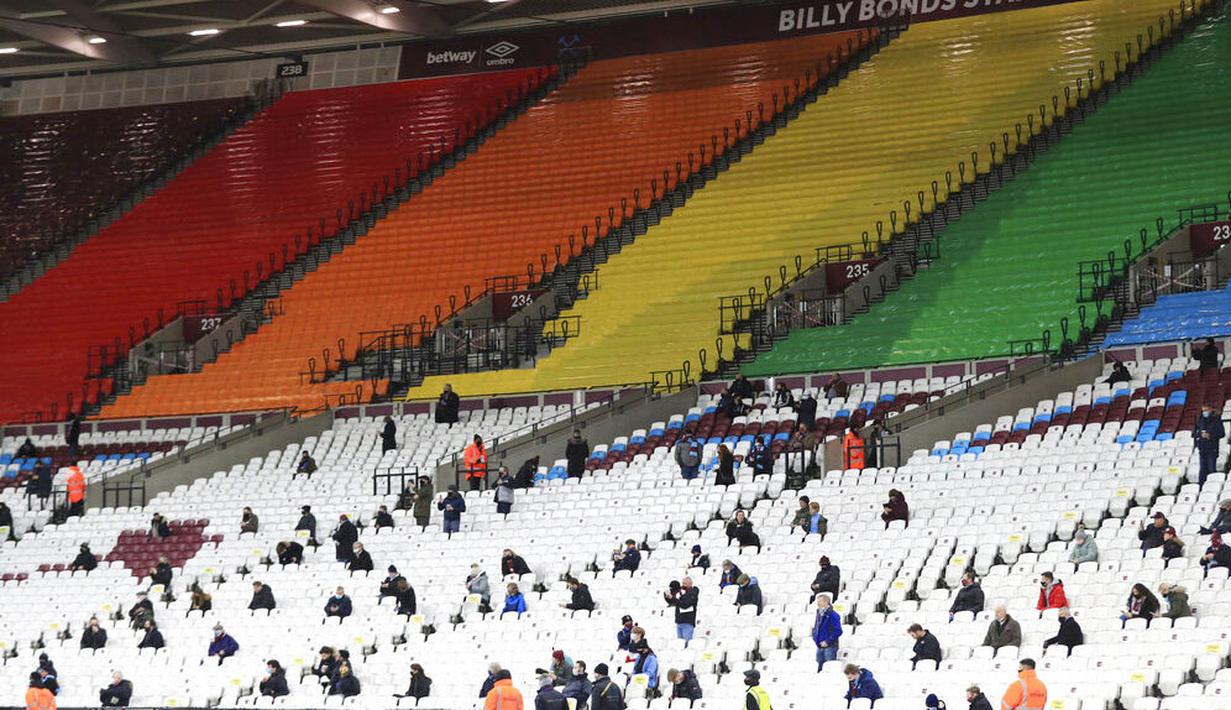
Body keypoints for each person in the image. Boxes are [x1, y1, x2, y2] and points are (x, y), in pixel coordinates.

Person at [1195, 402, 1225, 485]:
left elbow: (1222, 434)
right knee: (1202, 469)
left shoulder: (1216, 420)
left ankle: (1213, 485)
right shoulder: (1200, 420)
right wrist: (1200, 436)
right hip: (1202, 448)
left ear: (1211, 409)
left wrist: (1210, 435)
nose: (1204, 412)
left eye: (1206, 410)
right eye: (1203, 410)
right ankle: (1201, 487)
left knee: (1211, 468)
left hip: (1212, 448)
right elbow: (1195, 433)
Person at [812, 594, 843, 670]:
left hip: (830, 647)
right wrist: (816, 639)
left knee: (829, 668)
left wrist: (827, 641)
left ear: (826, 602)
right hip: (820, 646)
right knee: (819, 669)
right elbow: (816, 627)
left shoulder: (833, 615)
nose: (818, 604)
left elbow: (838, 631)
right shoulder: (819, 614)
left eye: (820, 601)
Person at [664, 577, 698, 641]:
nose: (683, 585)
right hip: (679, 621)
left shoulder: (692, 593)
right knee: (679, 643)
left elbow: (685, 605)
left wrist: (672, 598)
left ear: (690, 584)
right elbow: (673, 602)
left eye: (685, 583)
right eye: (683, 583)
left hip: (688, 622)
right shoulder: (681, 592)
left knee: (686, 642)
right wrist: (668, 596)